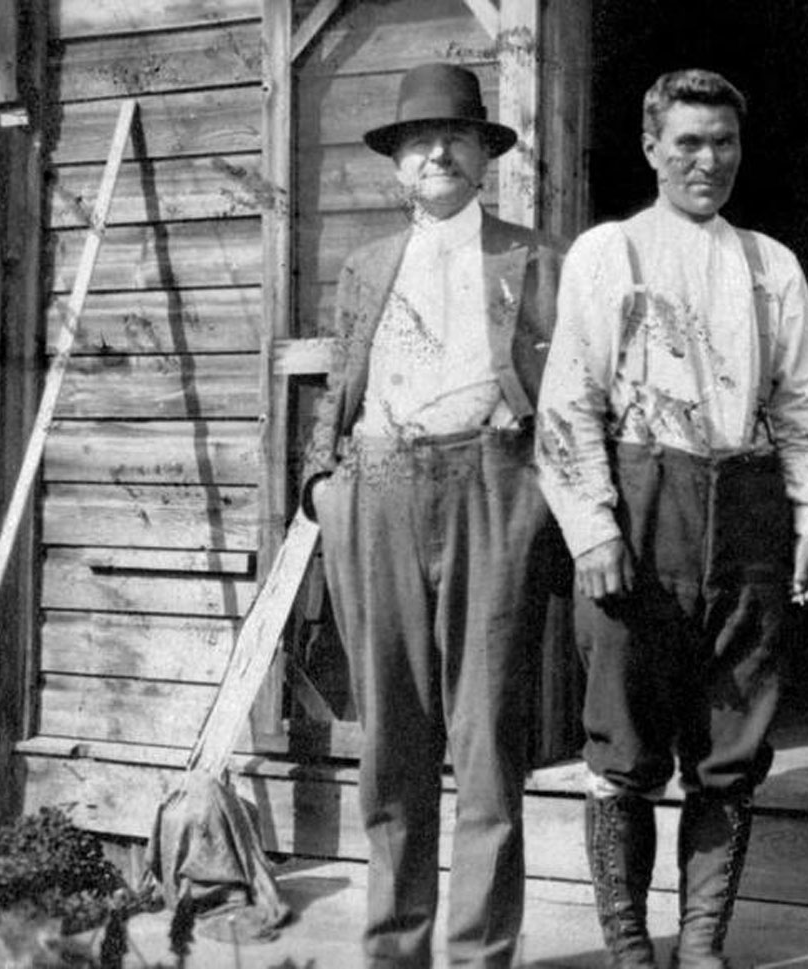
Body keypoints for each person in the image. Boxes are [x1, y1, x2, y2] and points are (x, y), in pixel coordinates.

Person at [535, 68, 808, 969]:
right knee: (624, 744)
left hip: (745, 509)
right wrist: (592, 527)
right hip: (640, 502)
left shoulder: (771, 263)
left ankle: (702, 943)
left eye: (725, 144)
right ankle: (631, 948)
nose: (708, 161)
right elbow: (567, 404)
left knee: (733, 743)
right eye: (689, 143)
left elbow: (806, 405)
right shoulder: (606, 253)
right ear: (651, 148)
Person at [300, 62, 567, 969]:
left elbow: (568, 391)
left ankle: (480, 952)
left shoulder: (533, 256)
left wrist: (537, 497)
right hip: (376, 490)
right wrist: (321, 486)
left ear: (483, 156)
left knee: (486, 739)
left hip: (491, 487)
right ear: (397, 165)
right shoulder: (367, 265)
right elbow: (341, 384)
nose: (437, 152)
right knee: (391, 739)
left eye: (456, 137)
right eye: (419, 141)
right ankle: (394, 949)